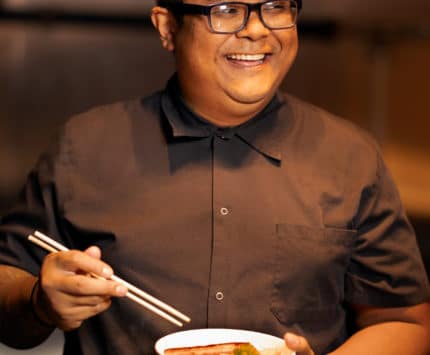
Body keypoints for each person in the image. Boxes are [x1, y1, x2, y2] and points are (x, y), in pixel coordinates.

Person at [0, 0, 429, 354]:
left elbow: (404, 321)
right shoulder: (84, 146)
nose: (257, 30)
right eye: (226, 9)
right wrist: (39, 301)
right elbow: (8, 289)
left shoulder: (351, 157)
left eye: (276, 7)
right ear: (167, 27)